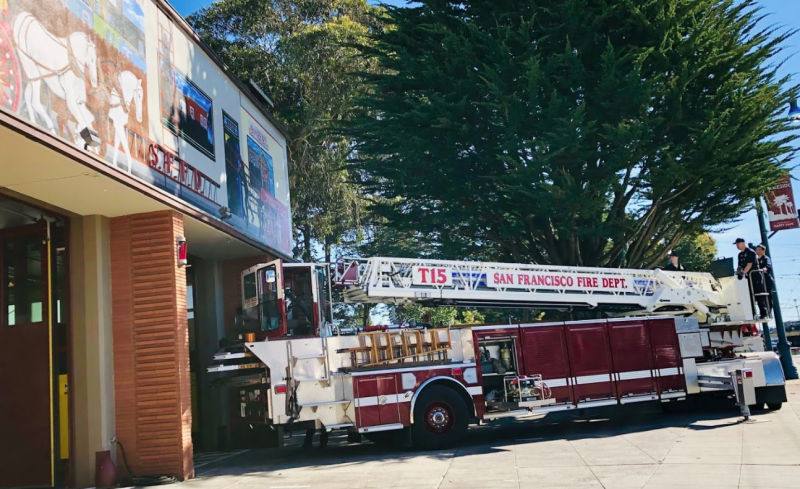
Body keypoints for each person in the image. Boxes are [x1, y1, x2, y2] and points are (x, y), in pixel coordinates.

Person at [734, 238, 761, 317]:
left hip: (755, 276)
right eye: (736, 244)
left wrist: (743, 273)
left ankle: (763, 313)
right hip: (747, 278)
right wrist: (737, 274)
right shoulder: (740, 255)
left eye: (738, 243)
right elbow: (739, 266)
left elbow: (749, 265)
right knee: (748, 295)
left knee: (758, 294)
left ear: (743, 243)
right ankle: (752, 313)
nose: (737, 246)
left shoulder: (750, 252)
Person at [755, 244, 775, 317]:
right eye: (757, 250)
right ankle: (763, 312)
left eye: (759, 250)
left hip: (766, 280)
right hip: (759, 281)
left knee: (768, 296)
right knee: (759, 296)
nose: (758, 251)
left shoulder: (766, 258)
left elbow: (768, 266)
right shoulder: (756, 260)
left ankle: (769, 311)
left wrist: (765, 269)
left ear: (764, 251)